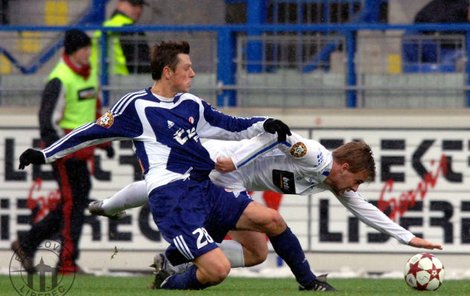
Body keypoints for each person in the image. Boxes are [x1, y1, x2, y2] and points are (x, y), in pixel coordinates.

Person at [17, 40, 340, 292]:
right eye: (187, 67)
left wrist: (265, 123)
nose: (193, 73)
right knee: (216, 271)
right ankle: (166, 285)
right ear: (168, 71)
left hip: (206, 188)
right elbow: (91, 131)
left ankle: (308, 281)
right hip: (174, 199)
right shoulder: (137, 106)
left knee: (272, 220)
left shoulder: (191, 104)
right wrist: (46, 154)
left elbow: (231, 124)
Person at [89, 132, 444, 281]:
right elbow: (275, 133)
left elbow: (366, 210)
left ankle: (169, 260)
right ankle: (109, 207)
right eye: (359, 181)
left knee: (257, 252)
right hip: (218, 163)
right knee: (161, 182)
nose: (356, 188)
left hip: (234, 183)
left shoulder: (330, 179)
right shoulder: (317, 156)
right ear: (346, 167)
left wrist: (409, 240)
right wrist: (235, 159)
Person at [11, 29, 114, 274]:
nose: (88, 52)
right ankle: (66, 264)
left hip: (82, 153)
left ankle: (27, 243)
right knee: (72, 205)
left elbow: (97, 113)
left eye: (89, 48)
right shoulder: (60, 78)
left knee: (74, 205)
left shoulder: (90, 76)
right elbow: (47, 122)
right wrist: (60, 151)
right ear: (72, 51)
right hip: (66, 155)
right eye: (83, 48)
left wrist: (105, 142)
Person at [402, 0, 470, 72]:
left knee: (457, 60)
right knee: (411, 34)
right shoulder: (448, 5)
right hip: (434, 44)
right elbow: (420, 18)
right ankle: (411, 71)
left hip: (454, 51)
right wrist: (435, 33)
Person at [90, 0, 150, 76]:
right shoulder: (131, 30)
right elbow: (143, 66)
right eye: (133, 4)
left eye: (140, 5)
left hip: (99, 81)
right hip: (122, 83)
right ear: (120, 3)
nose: (138, 9)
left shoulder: (102, 28)